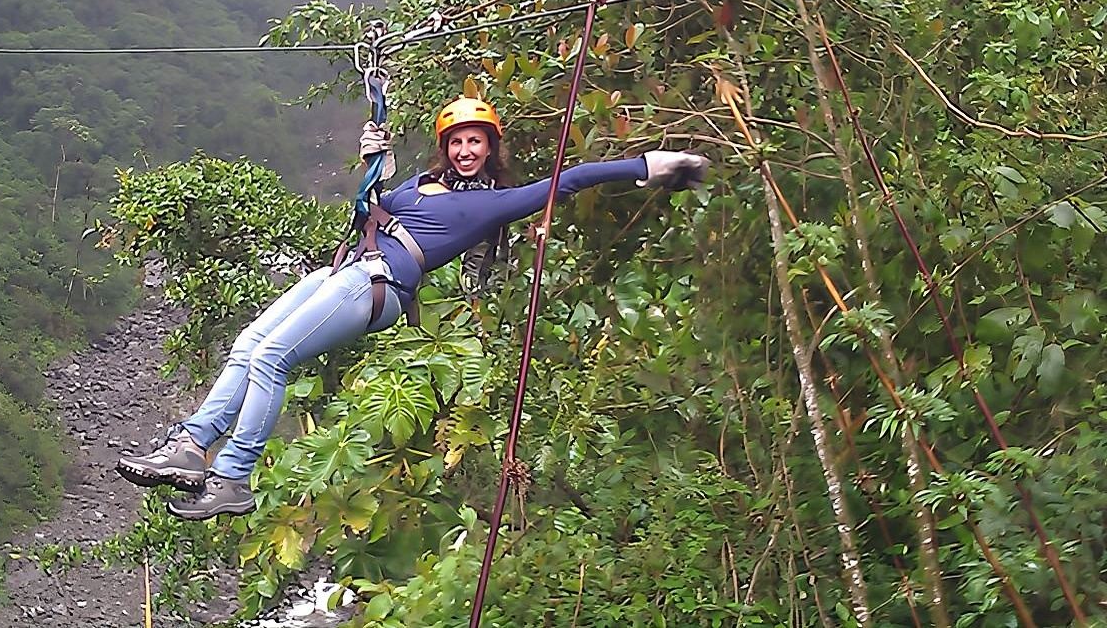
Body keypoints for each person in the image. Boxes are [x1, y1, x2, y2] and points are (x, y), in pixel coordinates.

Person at [115, 97, 708, 520]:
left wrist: (651, 167)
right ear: (446, 149)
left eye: (477, 141)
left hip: (376, 284)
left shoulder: (492, 205)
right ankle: (192, 448)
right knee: (248, 345)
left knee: (271, 358)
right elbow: (369, 205)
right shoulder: (415, 189)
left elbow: (571, 179)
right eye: (458, 141)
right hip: (342, 269)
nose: (467, 149)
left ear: (490, 149)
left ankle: (233, 476)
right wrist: (374, 156)